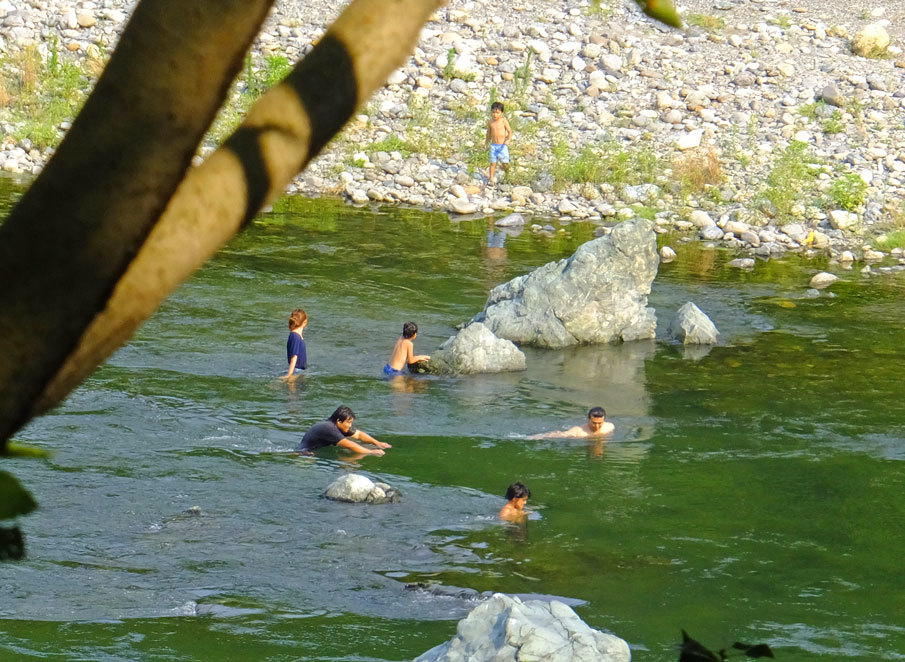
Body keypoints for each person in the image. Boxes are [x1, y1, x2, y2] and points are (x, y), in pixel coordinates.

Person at [297, 406, 391, 455]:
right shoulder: (330, 428)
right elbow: (350, 445)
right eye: (348, 422)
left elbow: (358, 435)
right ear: (339, 421)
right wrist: (371, 452)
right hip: (305, 452)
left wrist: (377, 443)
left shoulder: (338, 425)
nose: (350, 425)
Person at [530, 407, 615, 439]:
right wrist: (540, 436)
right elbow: (561, 434)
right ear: (588, 419)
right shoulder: (578, 431)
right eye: (594, 423)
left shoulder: (610, 427)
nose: (597, 426)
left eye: (600, 423)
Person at [484, 101, 513, 185]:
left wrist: (509, 139)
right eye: (493, 112)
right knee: (492, 163)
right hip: (494, 146)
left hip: (503, 146)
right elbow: (488, 134)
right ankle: (491, 178)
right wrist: (486, 143)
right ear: (491, 112)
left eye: (497, 113)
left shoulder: (503, 121)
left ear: (502, 113)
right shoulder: (490, 122)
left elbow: (510, 132)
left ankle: (507, 175)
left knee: (505, 163)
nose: (495, 115)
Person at [284, 308, 307, 380]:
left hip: (298, 369)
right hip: (296, 370)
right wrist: (290, 375)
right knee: (294, 390)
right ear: (304, 322)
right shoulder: (295, 337)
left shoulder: (295, 335)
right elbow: (294, 357)